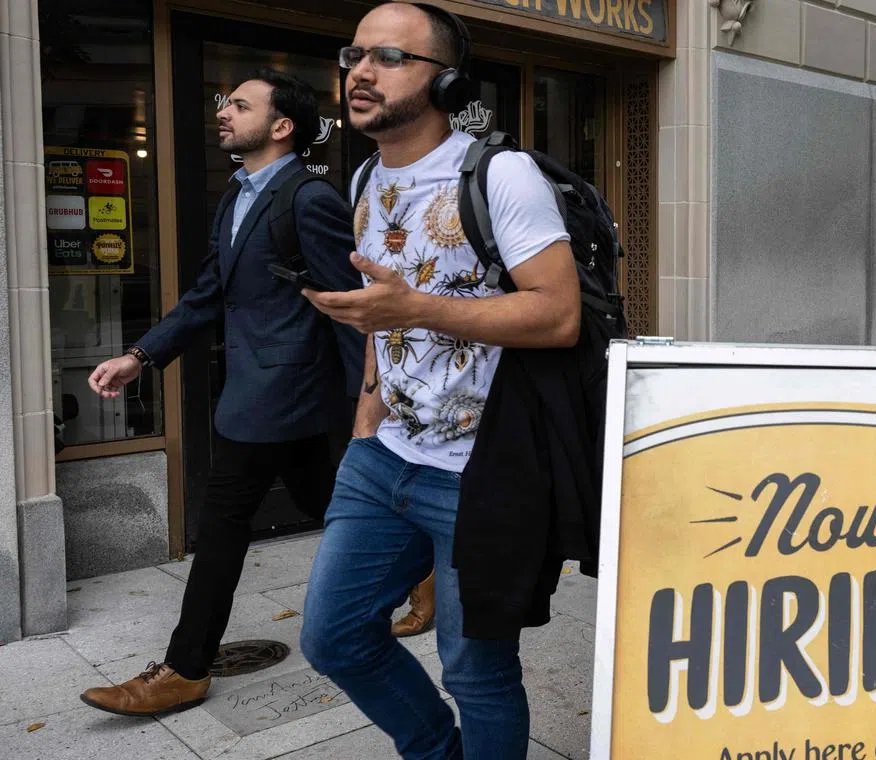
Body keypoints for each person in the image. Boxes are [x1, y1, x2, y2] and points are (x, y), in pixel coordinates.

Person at [297, 2, 580, 758]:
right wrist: (367, 420)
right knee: (333, 639)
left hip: (482, 472)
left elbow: (558, 315)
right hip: (382, 456)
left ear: (447, 83)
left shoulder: (499, 173)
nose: (360, 70)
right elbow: (379, 320)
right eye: (353, 53)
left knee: (477, 671)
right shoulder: (362, 178)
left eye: (388, 57)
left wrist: (414, 306)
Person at [79, 69, 366, 717]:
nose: (224, 112)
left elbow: (351, 310)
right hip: (259, 394)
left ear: (283, 126)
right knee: (331, 504)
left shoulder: (309, 199)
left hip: (283, 396)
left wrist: (366, 408)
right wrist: (140, 355)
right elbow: (210, 292)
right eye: (224, 102)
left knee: (221, 525)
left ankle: (185, 667)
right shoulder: (237, 193)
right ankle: (421, 573)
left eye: (240, 104)